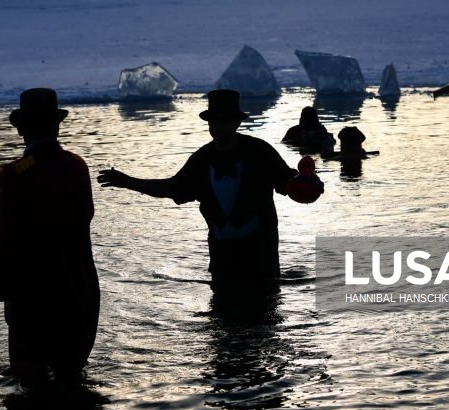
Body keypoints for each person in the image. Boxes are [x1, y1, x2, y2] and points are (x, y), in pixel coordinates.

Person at [97, 89, 300, 301]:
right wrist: (128, 182)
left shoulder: (260, 152)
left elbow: (290, 183)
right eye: (213, 123)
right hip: (222, 264)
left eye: (224, 121)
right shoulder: (202, 159)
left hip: (261, 262)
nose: (218, 128)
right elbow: (171, 188)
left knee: (263, 324)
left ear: (237, 123)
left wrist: (308, 182)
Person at [0, 88, 100, 382]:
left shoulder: (13, 174)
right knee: (72, 378)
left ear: (20, 129)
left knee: (30, 380)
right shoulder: (77, 166)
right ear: (57, 126)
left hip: (30, 294)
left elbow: (8, 235)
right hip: (78, 287)